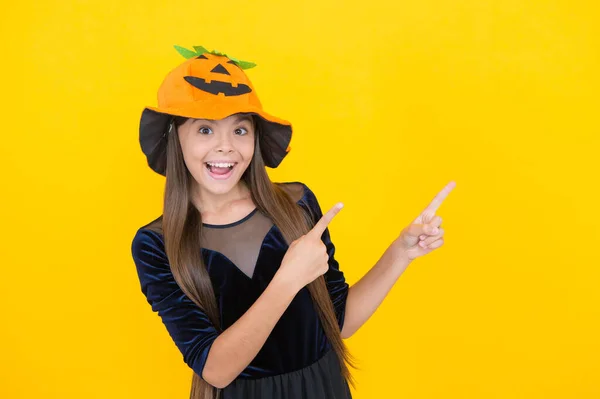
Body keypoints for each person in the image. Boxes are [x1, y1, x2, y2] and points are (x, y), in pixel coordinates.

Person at [131, 45, 455, 399]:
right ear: (175, 139)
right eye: (205, 130)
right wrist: (288, 280)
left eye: (240, 130)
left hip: (322, 388)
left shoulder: (296, 205)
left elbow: (340, 322)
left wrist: (401, 253)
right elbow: (216, 370)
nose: (225, 147)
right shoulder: (155, 244)